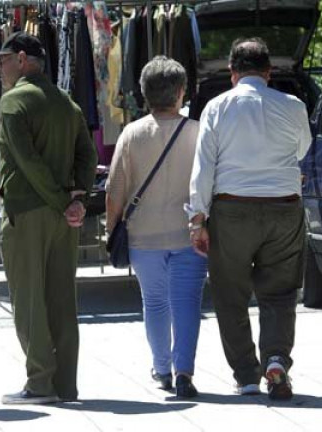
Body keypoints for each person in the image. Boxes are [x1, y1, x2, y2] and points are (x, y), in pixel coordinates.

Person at [188, 38, 311, 401]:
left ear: (232, 74)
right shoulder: (294, 105)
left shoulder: (217, 107)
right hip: (284, 208)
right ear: (269, 73)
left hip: (232, 209)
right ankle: (275, 359)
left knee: (231, 294)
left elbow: (204, 167)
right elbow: (302, 149)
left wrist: (197, 218)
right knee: (280, 293)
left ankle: (245, 374)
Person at [0, 32, 98, 404]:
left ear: (22, 59)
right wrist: (77, 198)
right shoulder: (66, 102)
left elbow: (27, 162)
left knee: (29, 300)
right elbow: (88, 155)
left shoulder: (12, 102)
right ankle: (65, 384)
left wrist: (60, 200)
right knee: (61, 300)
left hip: (28, 211)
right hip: (62, 216)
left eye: (2, 60)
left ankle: (39, 384)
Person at [106, 56, 207, 398]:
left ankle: (161, 367)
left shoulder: (131, 134)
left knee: (155, 302)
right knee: (187, 302)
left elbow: (115, 190)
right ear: (181, 92)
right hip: (188, 233)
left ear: (144, 93)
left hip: (143, 236)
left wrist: (111, 229)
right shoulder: (197, 132)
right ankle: (184, 372)